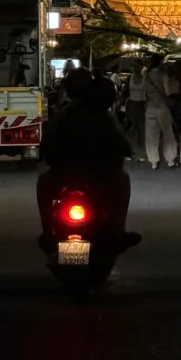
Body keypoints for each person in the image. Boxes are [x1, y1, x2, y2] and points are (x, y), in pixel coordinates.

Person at [37, 69, 133, 248]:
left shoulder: (63, 113)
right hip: (98, 176)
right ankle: (118, 232)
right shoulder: (102, 114)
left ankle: (48, 232)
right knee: (123, 180)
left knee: (43, 183)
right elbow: (123, 145)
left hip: (66, 175)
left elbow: (46, 144)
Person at [144, 52, 177, 169]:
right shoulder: (164, 76)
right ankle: (170, 160)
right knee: (168, 133)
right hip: (163, 107)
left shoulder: (146, 75)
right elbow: (167, 91)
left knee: (151, 136)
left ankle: (153, 161)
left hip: (151, 107)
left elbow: (145, 93)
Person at [164, 58, 181, 166]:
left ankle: (173, 155)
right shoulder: (180, 82)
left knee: (172, 133)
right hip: (179, 107)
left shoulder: (166, 82)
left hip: (169, 107)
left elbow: (165, 94)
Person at [124, 58, 148, 160]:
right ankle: (130, 152)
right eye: (133, 66)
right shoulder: (130, 78)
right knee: (131, 129)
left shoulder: (145, 78)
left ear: (141, 66)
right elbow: (125, 91)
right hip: (132, 104)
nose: (134, 68)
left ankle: (142, 153)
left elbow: (148, 92)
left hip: (142, 104)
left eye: (136, 66)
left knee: (142, 129)